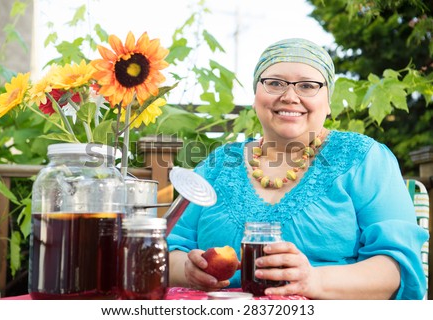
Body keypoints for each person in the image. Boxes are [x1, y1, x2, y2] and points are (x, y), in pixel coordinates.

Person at [167, 38, 429, 299]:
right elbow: (168, 251)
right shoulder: (218, 164)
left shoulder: (364, 158)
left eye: (307, 85)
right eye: (274, 83)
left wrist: (315, 281)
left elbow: (395, 269)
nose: (290, 96)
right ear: (256, 95)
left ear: (328, 101)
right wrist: (188, 269)